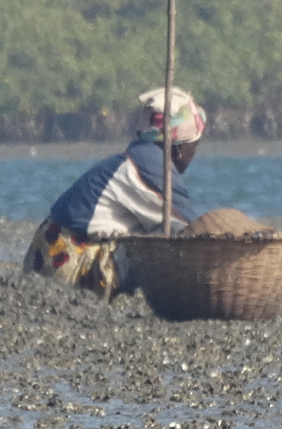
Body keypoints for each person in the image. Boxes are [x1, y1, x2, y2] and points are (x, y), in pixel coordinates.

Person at [24, 86, 207, 295]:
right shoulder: (153, 168)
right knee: (174, 239)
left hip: (45, 256)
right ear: (180, 149)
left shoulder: (138, 157)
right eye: (194, 146)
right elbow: (195, 231)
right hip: (66, 264)